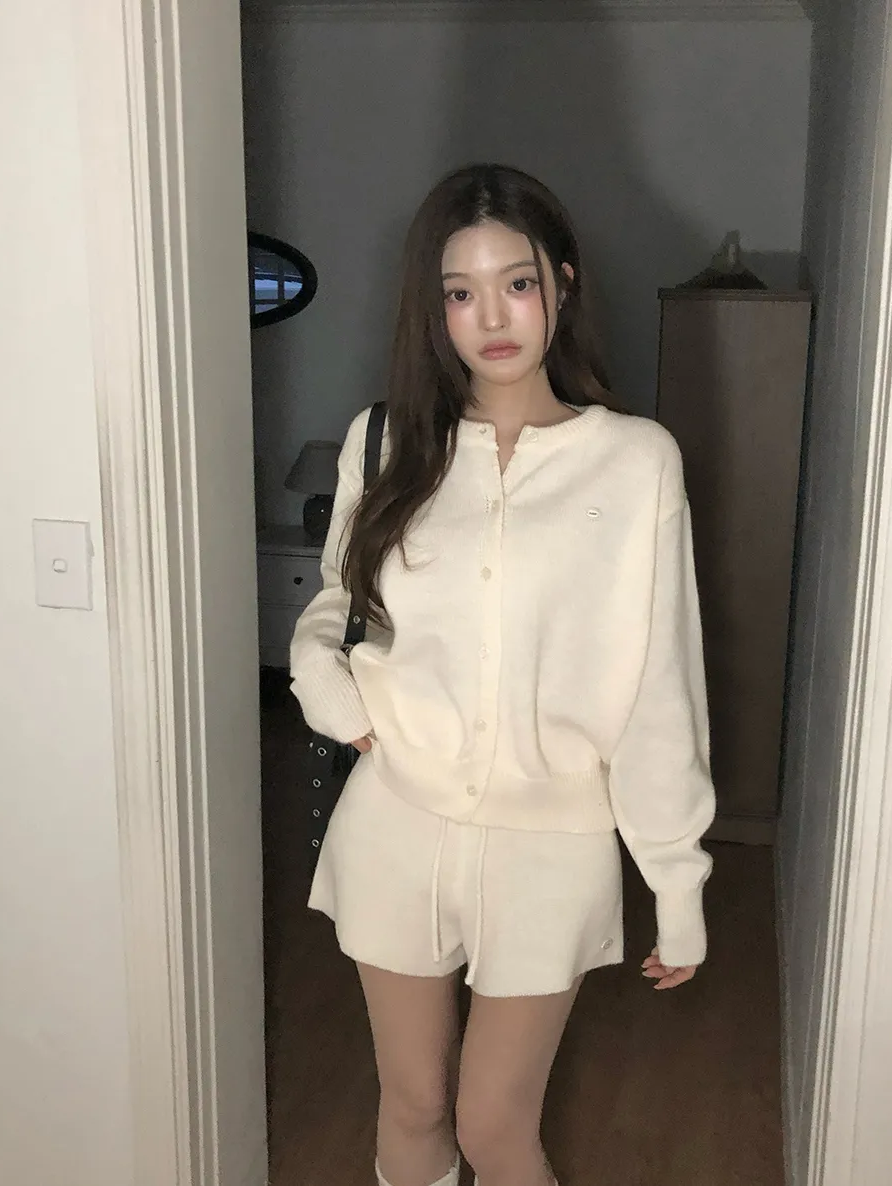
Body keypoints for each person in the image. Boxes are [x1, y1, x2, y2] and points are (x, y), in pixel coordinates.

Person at [289, 163, 715, 1186]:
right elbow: (335, 602)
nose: (491, 317)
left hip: (552, 842)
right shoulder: (386, 442)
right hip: (396, 817)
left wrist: (677, 880)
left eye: (516, 283)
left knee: (495, 1126)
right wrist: (327, 690)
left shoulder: (635, 462)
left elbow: (660, 686)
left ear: (561, 283)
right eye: (460, 291)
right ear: (433, 309)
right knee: (411, 1106)